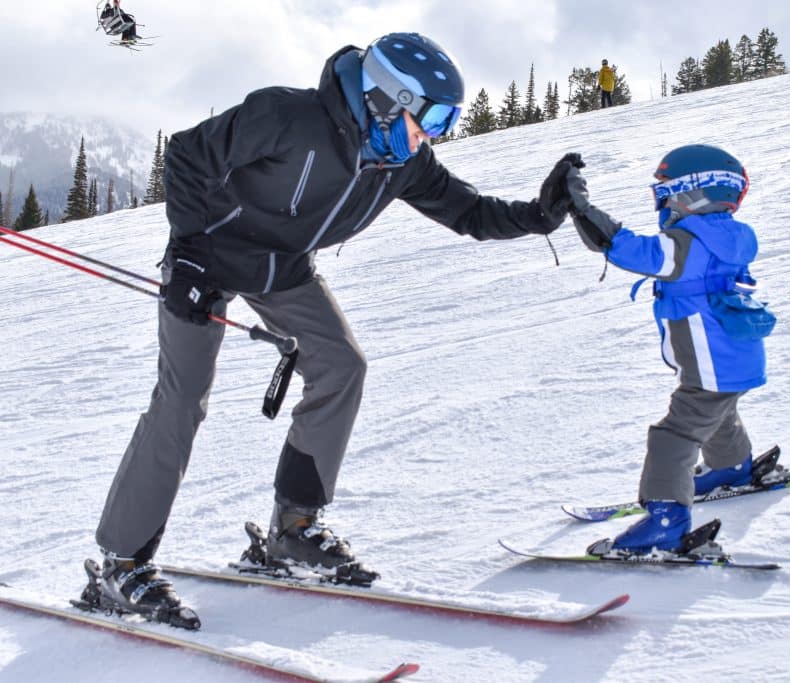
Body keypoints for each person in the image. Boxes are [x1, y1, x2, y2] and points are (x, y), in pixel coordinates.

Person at [91, 32, 578, 620]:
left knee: (342, 366)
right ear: (385, 99)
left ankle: (293, 528)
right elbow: (190, 156)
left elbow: (468, 211)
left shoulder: (400, 163)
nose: (436, 134)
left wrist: (539, 216)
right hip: (208, 257)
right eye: (431, 118)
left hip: (284, 271)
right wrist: (190, 254)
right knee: (182, 400)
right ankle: (122, 565)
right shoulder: (289, 117)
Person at [558, 144, 774, 555]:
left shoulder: (686, 243)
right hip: (738, 359)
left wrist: (579, 205)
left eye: (667, 193)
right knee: (719, 411)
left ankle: (665, 522)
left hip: (713, 365)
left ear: (695, 193)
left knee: (674, 434)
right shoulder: (732, 238)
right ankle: (731, 467)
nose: (664, 204)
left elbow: (623, 247)